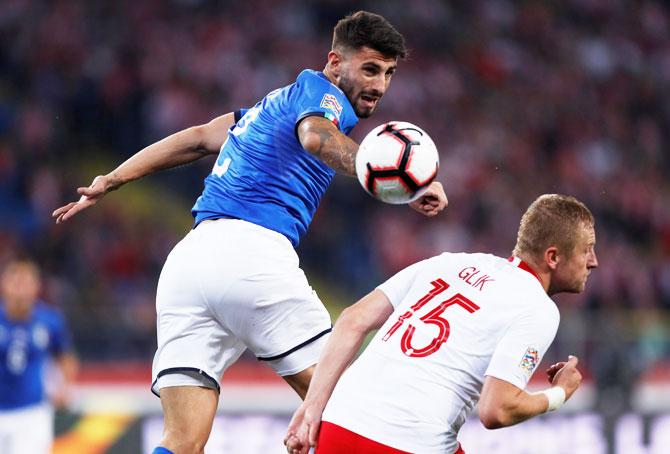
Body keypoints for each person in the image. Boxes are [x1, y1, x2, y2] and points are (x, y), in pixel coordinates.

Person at [53, 10, 448, 454]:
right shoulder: (323, 96)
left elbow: (200, 137)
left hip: (189, 264)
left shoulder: (267, 107)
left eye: (389, 73)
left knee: (181, 442)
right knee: (354, 411)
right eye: (370, 69)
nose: (379, 84)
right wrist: (392, 176)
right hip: (252, 257)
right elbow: (316, 138)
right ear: (335, 63)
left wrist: (112, 178)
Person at [284, 194, 598, 454]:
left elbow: (353, 319)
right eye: (587, 249)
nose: (593, 261)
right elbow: (496, 410)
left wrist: (312, 407)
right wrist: (558, 395)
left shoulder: (451, 261)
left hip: (337, 425)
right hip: (407, 443)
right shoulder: (537, 308)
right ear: (553, 257)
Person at [0, 259, 78, 454]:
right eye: (15, 282)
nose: (20, 290)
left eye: (26, 283)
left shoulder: (49, 320)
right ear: (4, 284)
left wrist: (65, 387)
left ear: (36, 287)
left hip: (32, 414)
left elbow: (66, 357)